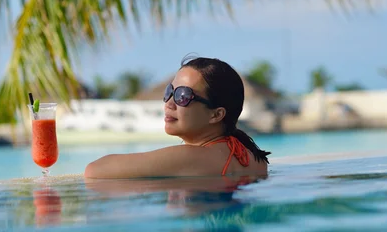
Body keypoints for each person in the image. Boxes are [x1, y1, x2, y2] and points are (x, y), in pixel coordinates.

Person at [84, 56, 271, 179]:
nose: (169, 102)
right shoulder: (254, 159)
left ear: (216, 114)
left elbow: (94, 170)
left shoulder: (190, 157)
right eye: (170, 91)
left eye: (183, 95)